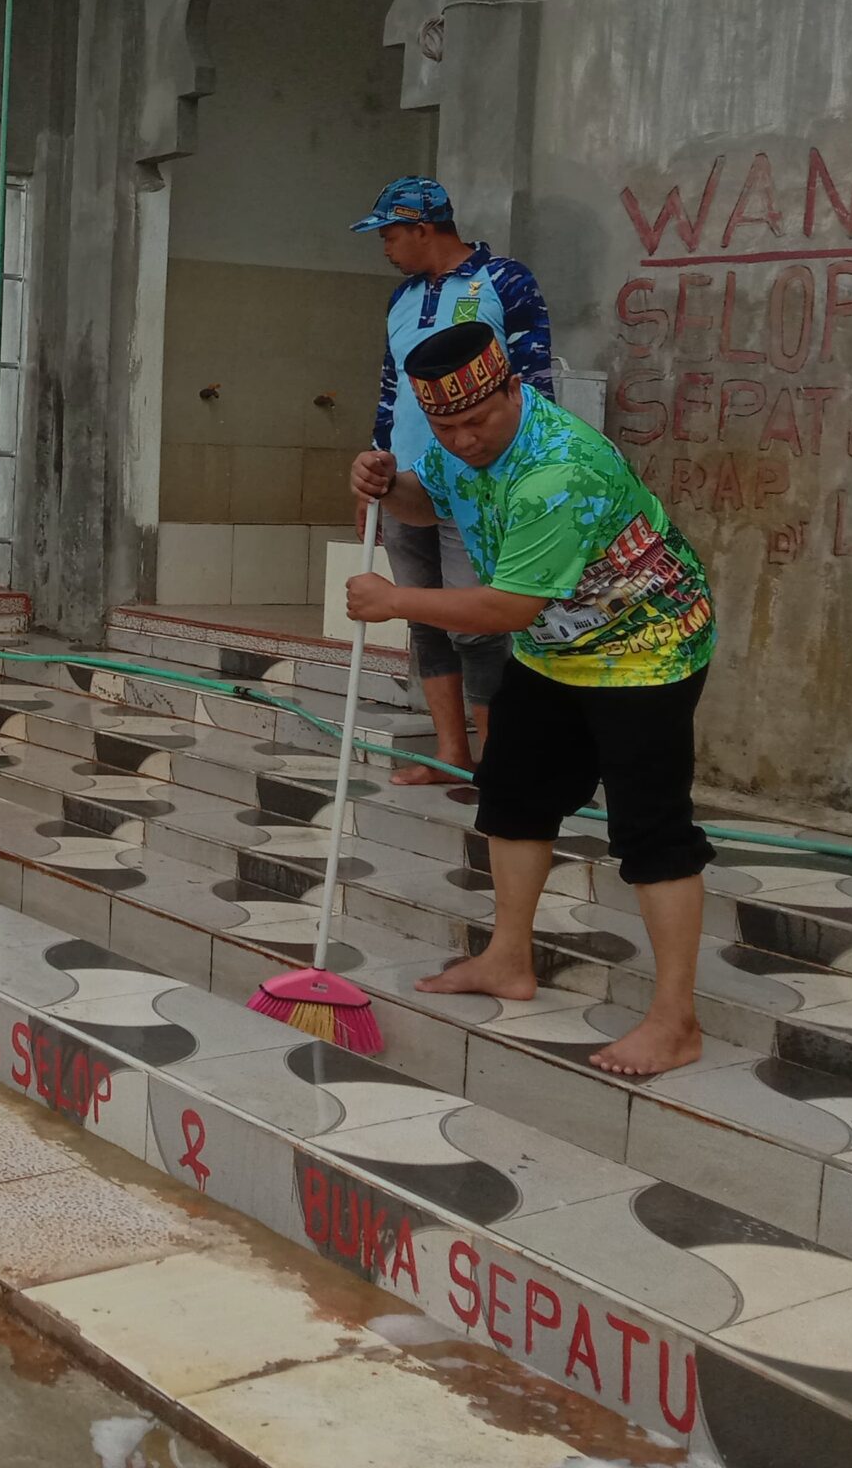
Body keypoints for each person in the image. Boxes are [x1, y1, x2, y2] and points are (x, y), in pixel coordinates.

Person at [345, 321, 715, 1077]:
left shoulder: (560, 469)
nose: (465, 439)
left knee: (651, 831)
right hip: (556, 651)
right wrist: (390, 487)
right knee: (512, 796)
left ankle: (676, 1021)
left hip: (647, 650)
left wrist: (394, 602)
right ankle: (508, 959)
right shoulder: (458, 447)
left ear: (515, 390)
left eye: (478, 421)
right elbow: (431, 504)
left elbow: (504, 608)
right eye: (447, 427)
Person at [352, 176, 554, 786]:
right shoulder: (400, 299)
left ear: (423, 226)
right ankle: (450, 753)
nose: (384, 246)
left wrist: (516, 480)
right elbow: (391, 393)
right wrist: (376, 470)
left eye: (390, 233)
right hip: (406, 482)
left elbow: (533, 383)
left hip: (477, 483)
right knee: (423, 617)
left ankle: (501, 762)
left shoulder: (506, 281)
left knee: (477, 622)